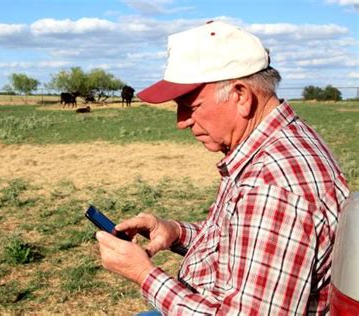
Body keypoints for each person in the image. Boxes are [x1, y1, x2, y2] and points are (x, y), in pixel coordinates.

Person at [95, 21, 350, 315]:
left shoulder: (273, 186)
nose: (181, 122)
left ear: (240, 95)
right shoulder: (269, 145)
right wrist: (174, 232)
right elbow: (241, 244)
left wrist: (143, 274)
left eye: (190, 106)